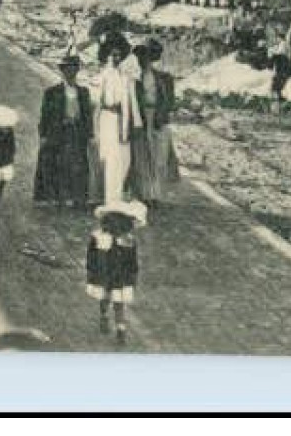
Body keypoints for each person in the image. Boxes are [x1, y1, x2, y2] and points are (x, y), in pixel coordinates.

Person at [33, 53, 93, 207]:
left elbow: (87, 115)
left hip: (76, 131)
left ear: (77, 71)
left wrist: (89, 134)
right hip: (58, 131)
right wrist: (44, 134)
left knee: (76, 164)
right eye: (67, 69)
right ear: (63, 71)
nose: (70, 72)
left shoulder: (83, 92)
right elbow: (45, 114)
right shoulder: (52, 92)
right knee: (55, 163)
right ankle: (52, 197)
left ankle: (76, 197)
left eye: (73, 69)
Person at [86, 200, 145, 347]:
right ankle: (105, 316)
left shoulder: (128, 240)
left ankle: (120, 327)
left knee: (118, 303)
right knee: (106, 298)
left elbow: (132, 261)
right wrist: (92, 270)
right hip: (104, 275)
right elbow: (91, 255)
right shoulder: (98, 237)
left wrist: (132, 276)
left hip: (119, 277)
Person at [93, 31, 142, 206]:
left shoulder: (125, 75)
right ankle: (110, 199)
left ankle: (118, 195)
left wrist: (136, 123)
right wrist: (95, 128)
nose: (116, 57)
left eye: (119, 54)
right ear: (107, 55)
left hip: (123, 119)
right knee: (110, 159)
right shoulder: (104, 75)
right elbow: (98, 102)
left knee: (124, 159)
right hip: (108, 119)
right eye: (112, 54)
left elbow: (131, 101)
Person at [129, 39, 179, 207]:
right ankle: (144, 194)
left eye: (147, 55)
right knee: (142, 157)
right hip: (140, 118)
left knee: (159, 157)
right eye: (141, 56)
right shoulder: (134, 79)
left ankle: (156, 195)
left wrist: (161, 113)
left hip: (157, 118)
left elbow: (170, 101)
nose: (144, 59)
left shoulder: (164, 78)